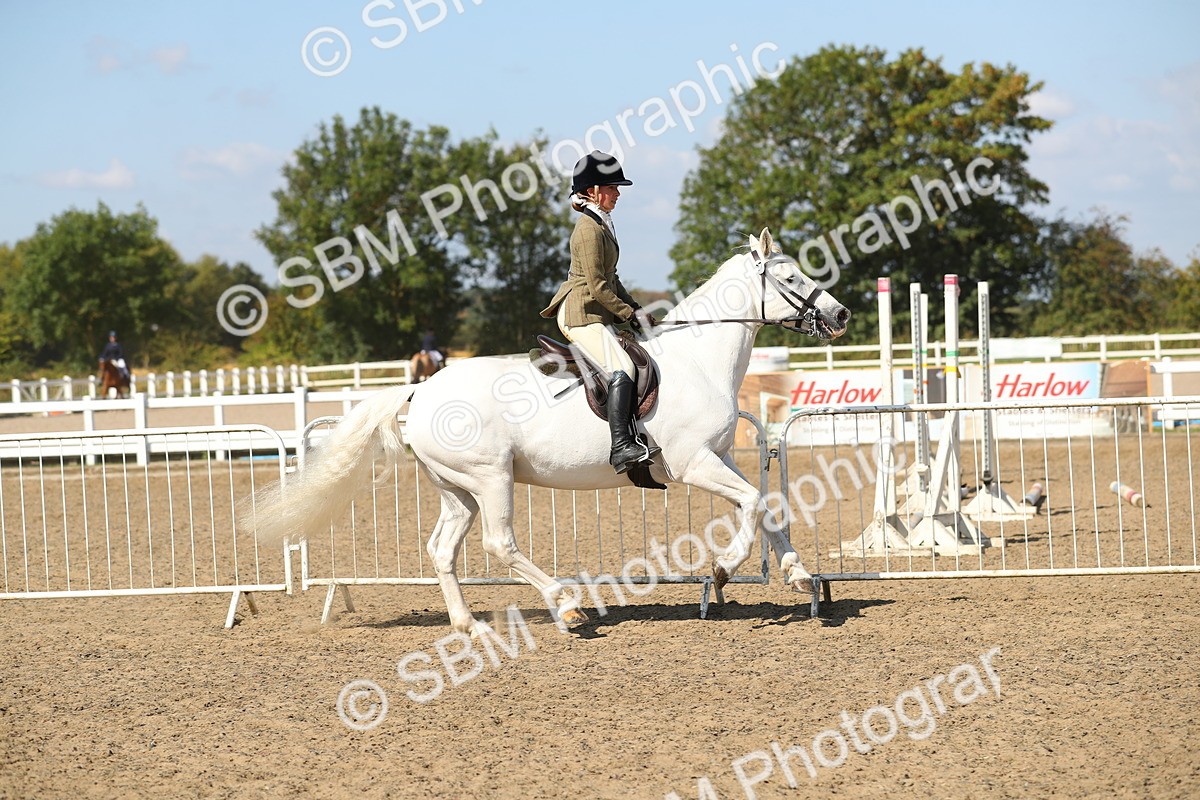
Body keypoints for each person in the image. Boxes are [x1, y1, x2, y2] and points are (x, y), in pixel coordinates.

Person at [540, 151, 660, 475]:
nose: (618, 193)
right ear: (593, 191)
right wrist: (629, 316)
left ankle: (636, 434)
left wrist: (636, 309)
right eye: (612, 187)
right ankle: (621, 446)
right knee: (622, 365)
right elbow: (596, 286)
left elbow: (613, 279)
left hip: (595, 311)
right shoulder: (588, 229)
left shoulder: (603, 224)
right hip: (579, 312)